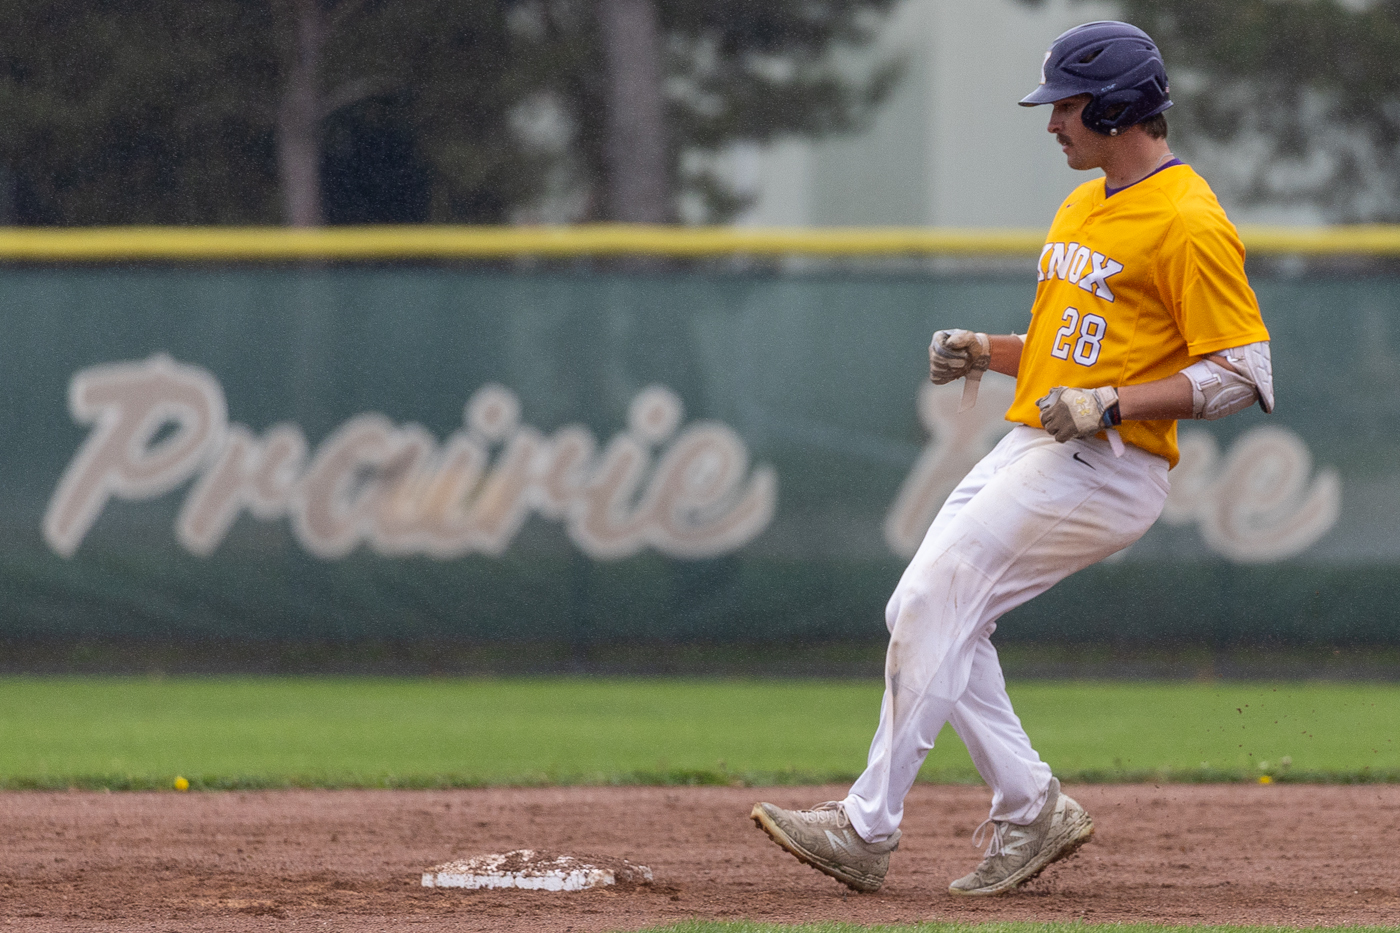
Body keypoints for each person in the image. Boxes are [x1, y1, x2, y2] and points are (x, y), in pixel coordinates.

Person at [751, 20, 1273, 897]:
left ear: (1114, 106)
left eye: (1066, 105)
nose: (1051, 123)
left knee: (931, 597)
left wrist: (1114, 403)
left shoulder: (1189, 219)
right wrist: (991, 350)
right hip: (1039, 441)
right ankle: (1032, 806)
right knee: (928, 611)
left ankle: (865, 827)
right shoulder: (1087, 201)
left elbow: (1242, 371)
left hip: (1109, 466)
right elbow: (1082, 350)